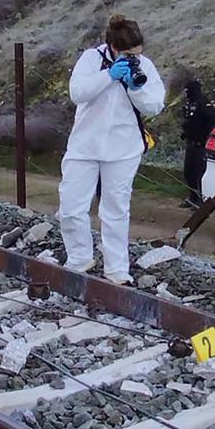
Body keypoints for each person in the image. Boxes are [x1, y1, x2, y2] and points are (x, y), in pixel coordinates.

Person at [59, 14, 166, 284]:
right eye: (129, 54)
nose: (135, 59)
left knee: (115, 209)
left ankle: (117, 269)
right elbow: (78, 93)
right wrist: (109, 75)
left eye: (138, 54)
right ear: (114, 48)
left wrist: (134, 87)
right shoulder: (91, 59)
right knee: (71, 206)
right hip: (84, 145)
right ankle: (79, 257)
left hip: (123, 148)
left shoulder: (145, 66)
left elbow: (153, 106)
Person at [180, 79, 215, 208]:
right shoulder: (190, 103)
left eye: (188, 91)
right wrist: (186, 132)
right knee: (189, 172)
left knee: (200, 173)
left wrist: (204, 135)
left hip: (201, 144)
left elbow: (213, 120)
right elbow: (189, 121)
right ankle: (192, 198)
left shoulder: (204, 103)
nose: (186, 94)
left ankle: (201, 200)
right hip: (190, 143)